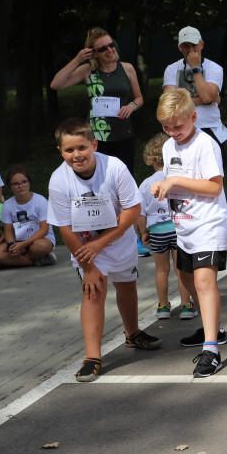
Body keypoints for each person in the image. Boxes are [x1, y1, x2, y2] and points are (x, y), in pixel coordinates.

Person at [47, 118, 160, 383]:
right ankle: (92, 357)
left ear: (94, 144)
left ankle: (132, 333)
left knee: (127, 285)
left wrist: (102, 242)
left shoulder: (114, 167)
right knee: (93, 291)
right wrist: (88, 266)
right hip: (85, 247)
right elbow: (65, 229)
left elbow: (132, 210)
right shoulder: (58, 181)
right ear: (60, 152)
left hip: (118, 239)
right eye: (69, 150)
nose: (77, 155)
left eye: (82, 148)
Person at [150, 88, 227, 378]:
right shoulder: (169, 146)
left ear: (194, 117)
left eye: (178, 126)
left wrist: (174, 181)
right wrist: (160, 186)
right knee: (184, 277)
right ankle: (215, 329)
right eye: (166, 127)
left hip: (209, 223)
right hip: (183, 224)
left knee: (202, 279)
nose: (172, 132)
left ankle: (211, 350)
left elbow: (214, 187)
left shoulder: (205, 144)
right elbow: (170, 180)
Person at [50, 27, 144, 177]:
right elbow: (56, 84)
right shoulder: (87, 70)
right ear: (94, 53)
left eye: (111, 45)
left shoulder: (127, 68)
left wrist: (131, 106)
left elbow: (139, 98)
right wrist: (77, 60)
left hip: (123, 134)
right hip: (97, 137)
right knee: (99, 178)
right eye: (103, 48)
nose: (109, 50)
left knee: (125, 177)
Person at [137, 134, 195, 320]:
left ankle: (163, 306)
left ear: (151, 159)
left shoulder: (146, 184)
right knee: (182, 269)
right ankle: (186, 305)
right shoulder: (178, 178)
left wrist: (144, 231)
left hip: (157, 231)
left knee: (161, 270)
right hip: (177, 228)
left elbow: (140, 212)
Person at [162, 26, 227, 165]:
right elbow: (171, 103)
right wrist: (207, 99)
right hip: (180, 126)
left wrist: (195, 68)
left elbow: (206, 97)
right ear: (179, 47)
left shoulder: (214, 68)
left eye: (194, 45)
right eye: (185, 46)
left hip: (209, 126)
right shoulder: (171, 69)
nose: (190, 50)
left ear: (201, 44)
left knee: (214, 169)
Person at [0, 166, 57, 268]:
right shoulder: (8, 204)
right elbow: (8, 231)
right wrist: (12, 245)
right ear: (10, 186)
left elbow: (44, 229)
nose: (21, 186)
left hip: (41, 239)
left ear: (29, 182)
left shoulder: (40, 200)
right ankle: (35, 261)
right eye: (16, 184)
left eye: (24, 182)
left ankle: (19, 260)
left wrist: (24, 245)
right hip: (19, 241)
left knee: (40, 247)